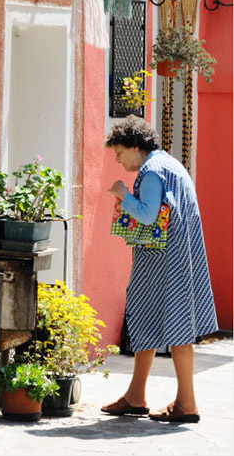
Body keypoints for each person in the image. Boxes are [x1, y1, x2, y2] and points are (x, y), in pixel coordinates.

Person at [101, 115, 217, 423]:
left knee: (176, 328)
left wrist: (123, 194)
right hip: (178, 256)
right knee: (149, 320)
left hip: (162, 262)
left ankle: (187, 405)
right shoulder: (170, 164)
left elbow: (147, 215)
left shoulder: (152, 171)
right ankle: (135, 395)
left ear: (135, 147)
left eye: (119, 152)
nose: (118, 159)